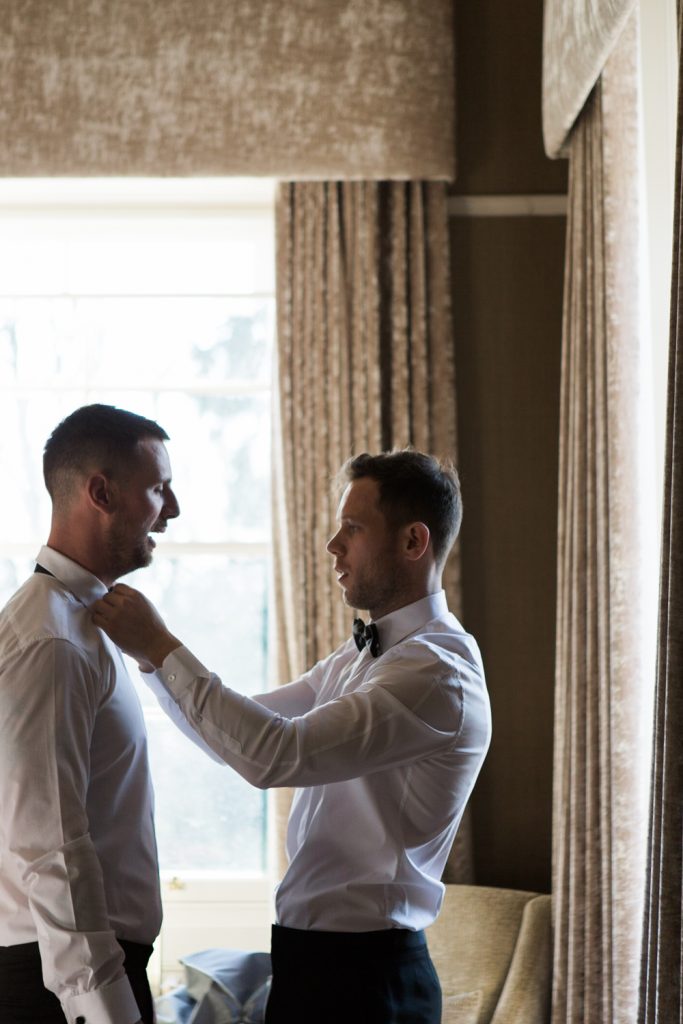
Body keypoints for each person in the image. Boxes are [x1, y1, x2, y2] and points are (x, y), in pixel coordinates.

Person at [92, 449, 492, 1024]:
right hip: (316, 965)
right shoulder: (366, 655)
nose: (333, 545)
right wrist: (152, 665)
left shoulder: (433, 672)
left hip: (368, 980)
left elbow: (275, 756)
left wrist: (159, 644)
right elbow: (240, 736)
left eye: (353, 528)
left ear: (412, 543)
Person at [0, 403, 180, 1024]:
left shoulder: (84, 627)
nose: (174, 510)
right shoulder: (51, 641)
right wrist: (104, 1009)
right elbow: (47, 841)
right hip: (59, 985)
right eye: (159, 489)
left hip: (79, 968)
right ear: (101, 492)